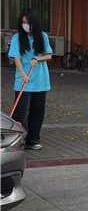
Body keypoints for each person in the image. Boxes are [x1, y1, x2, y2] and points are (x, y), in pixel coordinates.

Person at [8, 10, 53, 150]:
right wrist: (23, 75)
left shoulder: (43, 36)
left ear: (34, 23)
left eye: (27, 22)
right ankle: (18, 139)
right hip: (23, 81)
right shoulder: (17, 37)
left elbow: (49, 55)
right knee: (20, 113)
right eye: (23, 22)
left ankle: (33, 140)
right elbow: (16, 57)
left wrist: (37, 58)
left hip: (40, 80)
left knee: (37, 111)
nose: (25, 25)